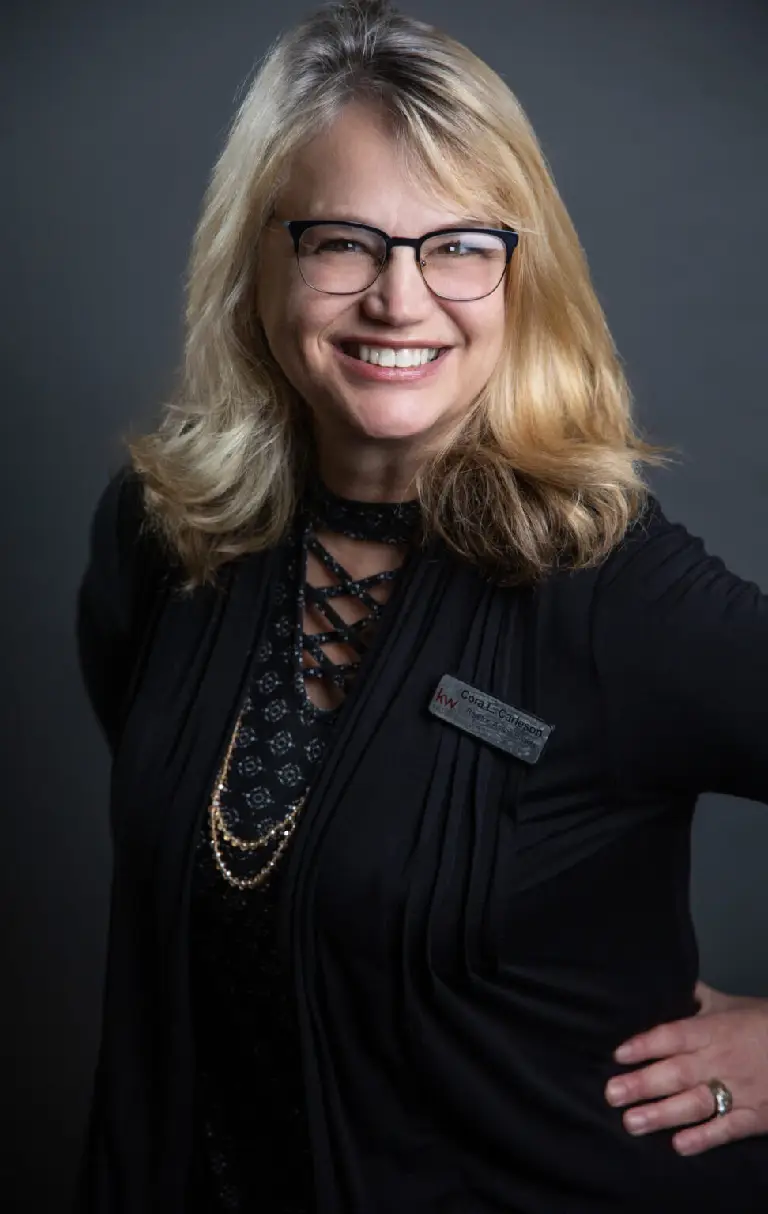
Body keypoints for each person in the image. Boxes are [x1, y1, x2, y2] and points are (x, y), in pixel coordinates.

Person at [75, 2, 768, 1211]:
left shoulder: (616, 587)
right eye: (343, 240)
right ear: (264, 255)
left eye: (458, 245)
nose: (402, 299)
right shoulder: (161, 533)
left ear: (519, 272)